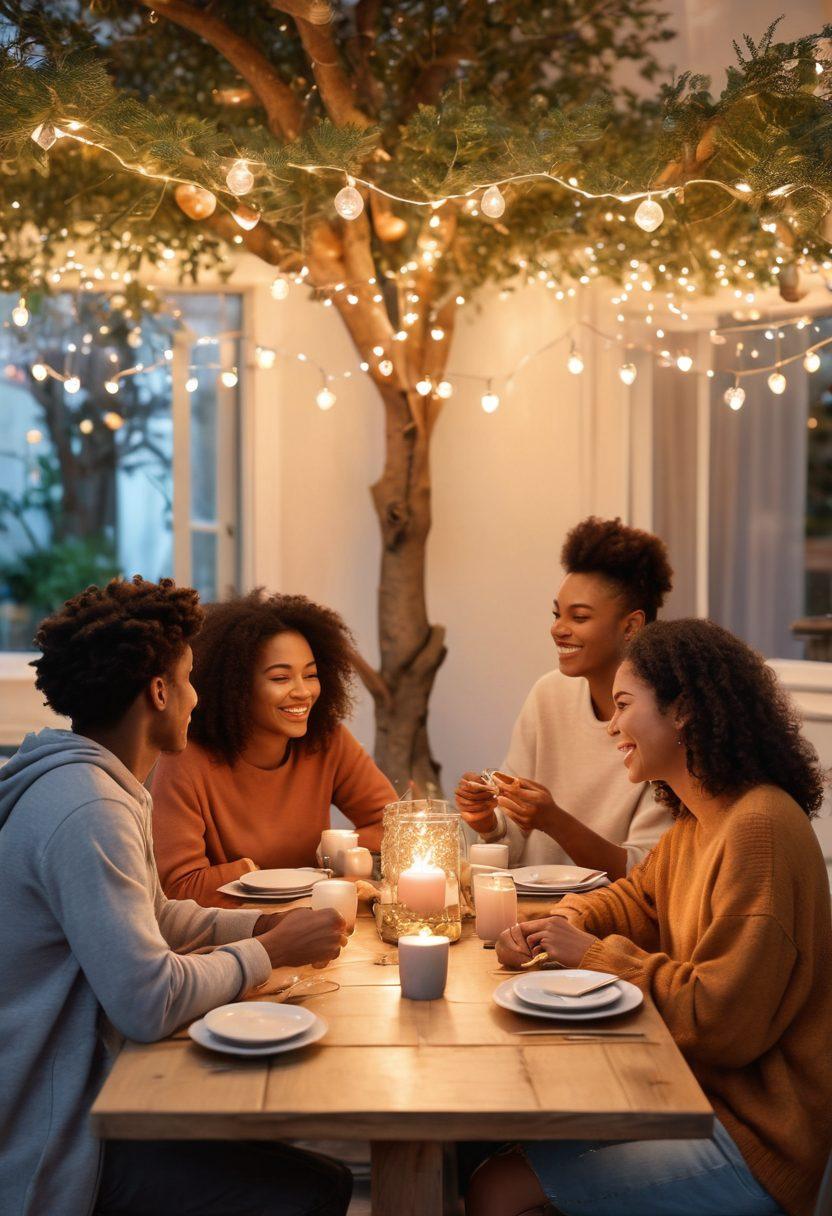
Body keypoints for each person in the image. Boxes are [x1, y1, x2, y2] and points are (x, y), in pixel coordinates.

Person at [0, 577, 352, 1216]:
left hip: (81, 1094)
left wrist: (259, 927)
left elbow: (156, 918)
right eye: (189, 680)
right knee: (314, 1189)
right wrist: (270, 952)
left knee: (302, 1165)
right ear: (158, 692)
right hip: (48, 1143)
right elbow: (147, 1001)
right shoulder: (87, 807)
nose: (197, 697)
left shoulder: (97, 781)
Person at [470, 618, 832, 1216]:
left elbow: (720, 1021)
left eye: (623, 705)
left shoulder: (759, 829)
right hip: (690, 1096)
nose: (612, 725)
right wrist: (560, 922)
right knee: (503, 1148)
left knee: (496, 1187)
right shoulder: (701, 818)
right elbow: (635, 901)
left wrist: (587, 952)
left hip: (755, 1138)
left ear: (683, 711)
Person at [456, 516, 675, 879]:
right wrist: (488, 820)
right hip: (531, 910)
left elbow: (645, 873)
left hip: (611, 920)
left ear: (631, 626)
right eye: (558, 614)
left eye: (580, 617)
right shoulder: (549, 695)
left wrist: (553, 820)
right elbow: (513, 836)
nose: (558, 629)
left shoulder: (662, 719)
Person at [151, 590, 396, 906]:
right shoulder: (185, 759)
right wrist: (253, 873)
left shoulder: (327, 740)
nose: (303, 691)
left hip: (317, 925)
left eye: (311, 674)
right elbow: (178, 889)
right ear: (235, 686)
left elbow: (393, 828)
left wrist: (340, 850)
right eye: (281, 678)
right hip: (230, 941)